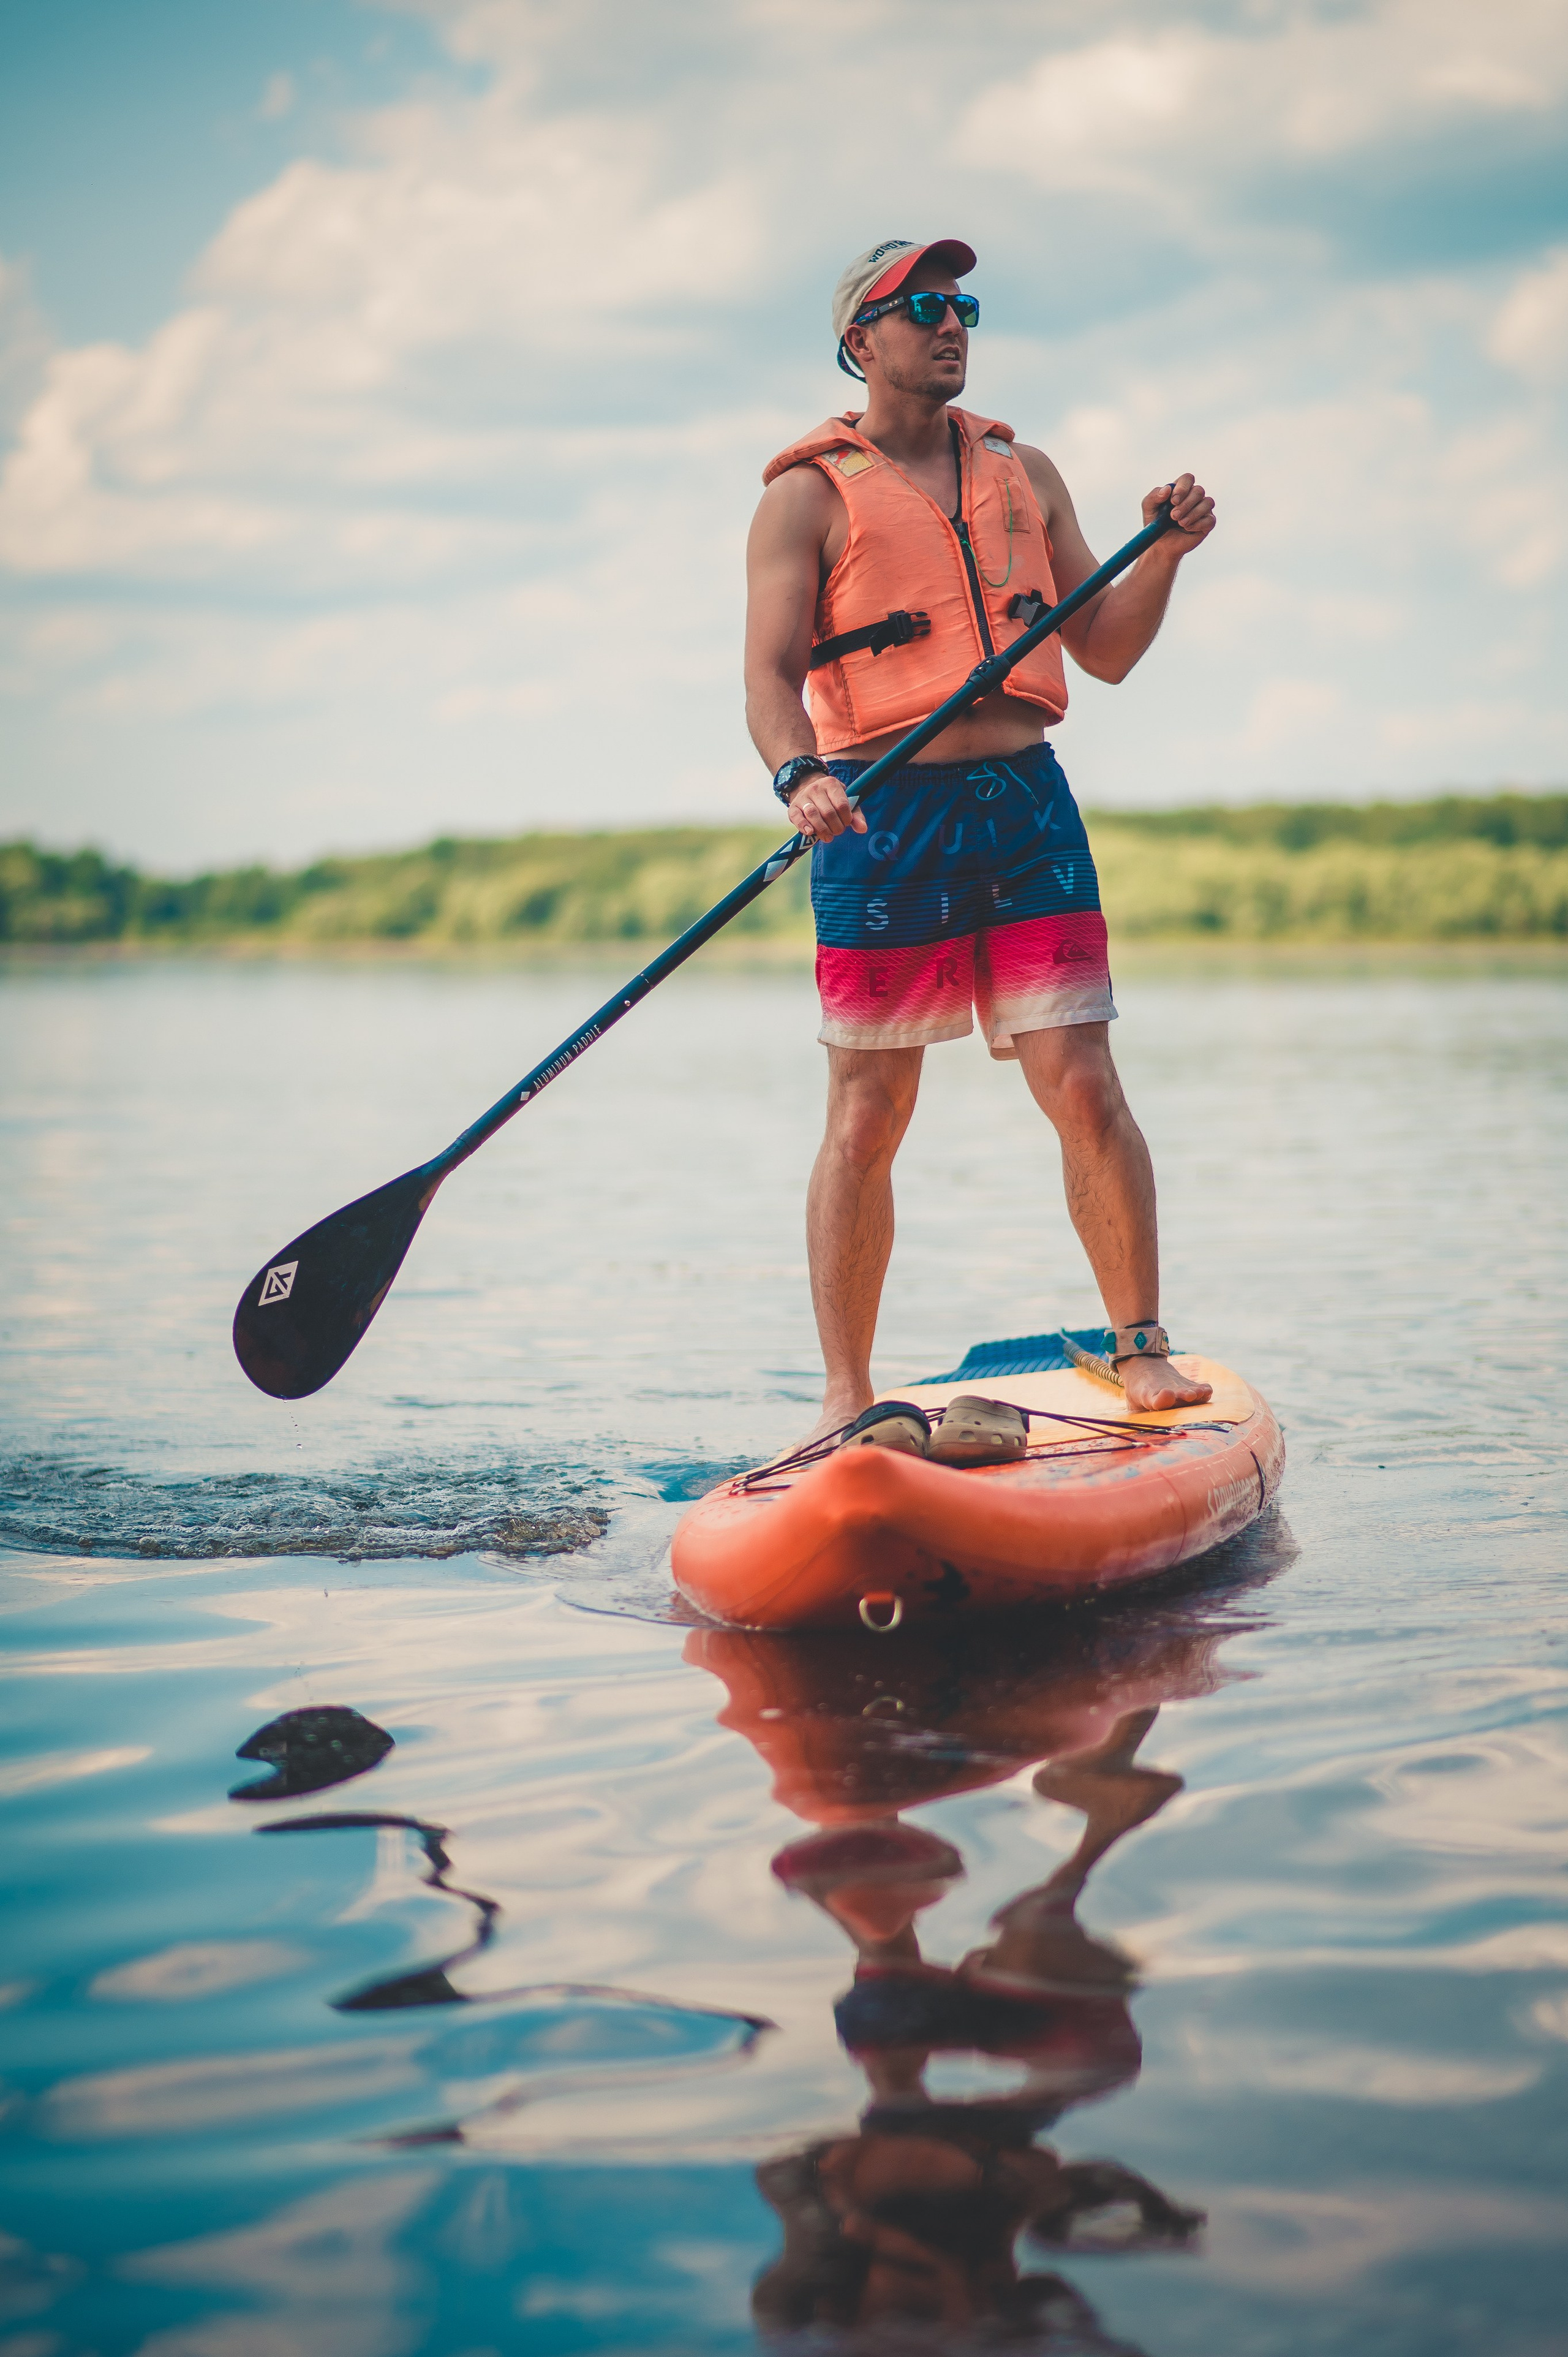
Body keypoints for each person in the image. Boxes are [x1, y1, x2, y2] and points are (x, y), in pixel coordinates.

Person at [745, 237, 1218, 1439]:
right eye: (922, 307)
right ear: (861, 340)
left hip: (1022, 804)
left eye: (962, 304)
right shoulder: (805, 494)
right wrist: (796, 772)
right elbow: (764, 675)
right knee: (865, 1114)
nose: (951, 324)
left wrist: (1160, 551)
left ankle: (1139, 1344)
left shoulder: (1024, 470)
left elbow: (1103, 650)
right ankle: (846, 1391)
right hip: (877, 809)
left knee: (1084, 1084)